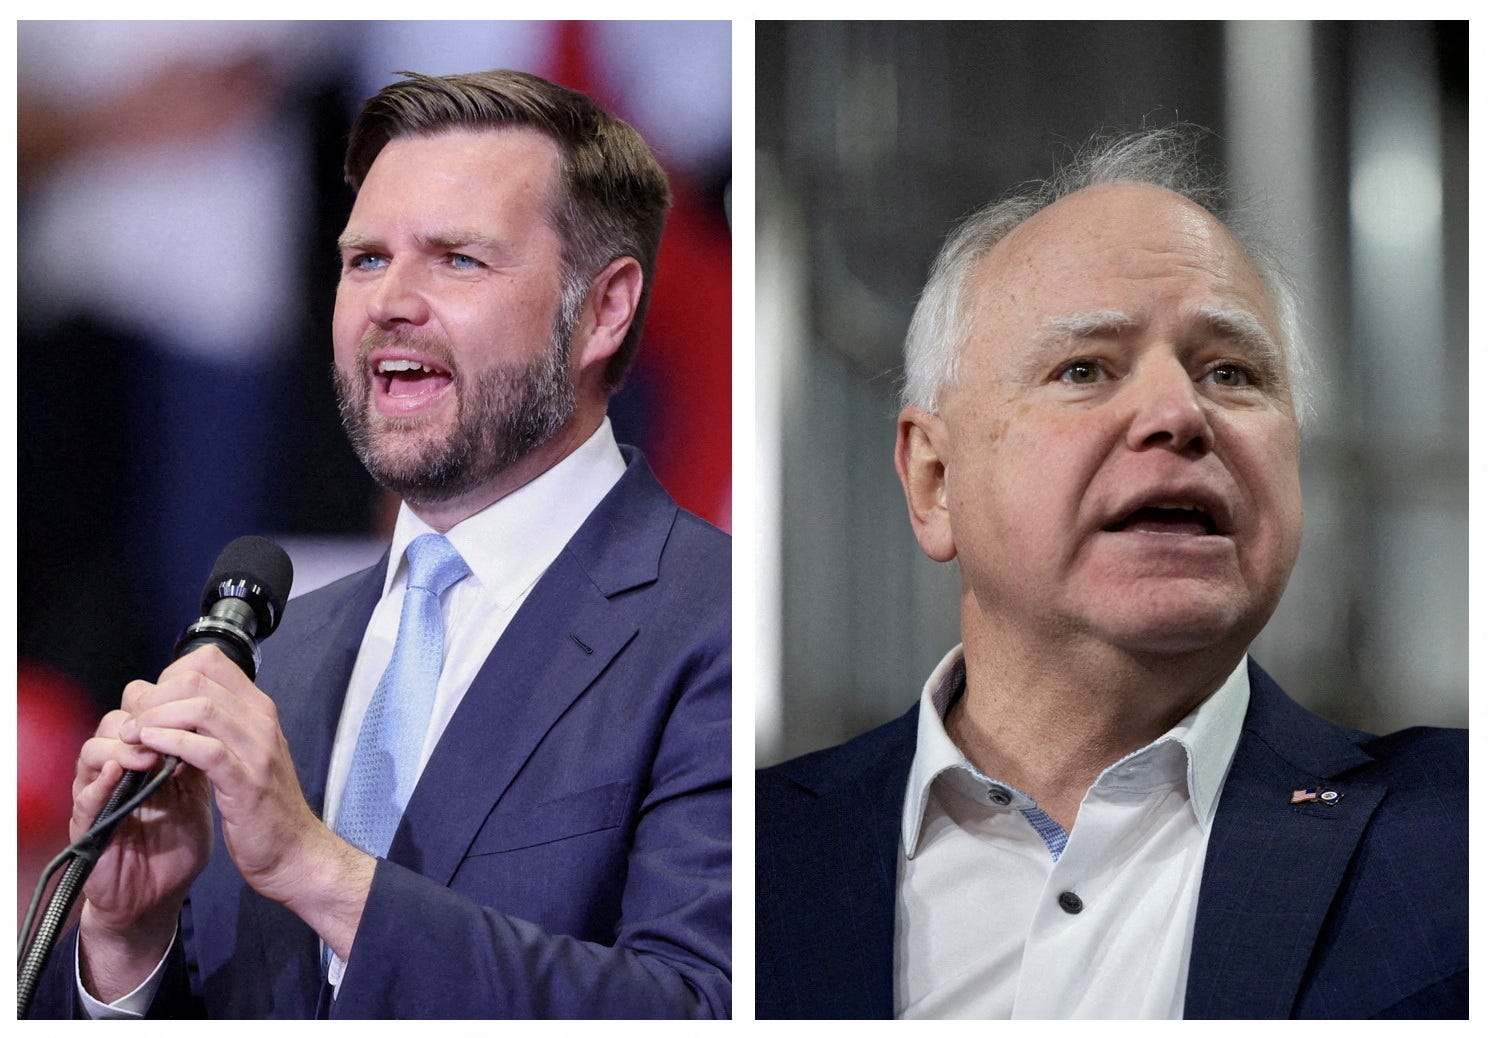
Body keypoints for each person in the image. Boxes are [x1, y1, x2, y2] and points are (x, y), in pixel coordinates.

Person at [31, 69, 730, 1019]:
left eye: (456, 260)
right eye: (364, 260)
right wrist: (125, 946)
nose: (389, 302)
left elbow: (695, 1009)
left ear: (604, 309)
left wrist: (315, 868)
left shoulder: (717, 622)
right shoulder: (268, 651)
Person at [755, 127, 1465, 1019]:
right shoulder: (741, 854)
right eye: (1085, 368)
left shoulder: (1455, 838)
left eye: (1233, 372)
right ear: (935, 481)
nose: (1179, 414)